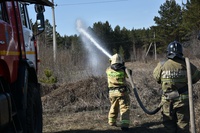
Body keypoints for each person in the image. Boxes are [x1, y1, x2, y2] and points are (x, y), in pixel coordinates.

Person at [153, 41, 200, 133]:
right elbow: (196, 77)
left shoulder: (162, 65)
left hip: (167, 102)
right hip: (183, 102)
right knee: (183, 125)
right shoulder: (186, 64)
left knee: (169, 126)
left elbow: (157, 78)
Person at [106, 53, 131, 131]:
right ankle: (124, 124)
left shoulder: (108, 70)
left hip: (112, 92)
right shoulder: (123, 70)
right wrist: (124, 66)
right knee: (124, 108)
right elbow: (129, 74)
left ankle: (111, 121)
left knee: (114, 106)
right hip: (122, 92)